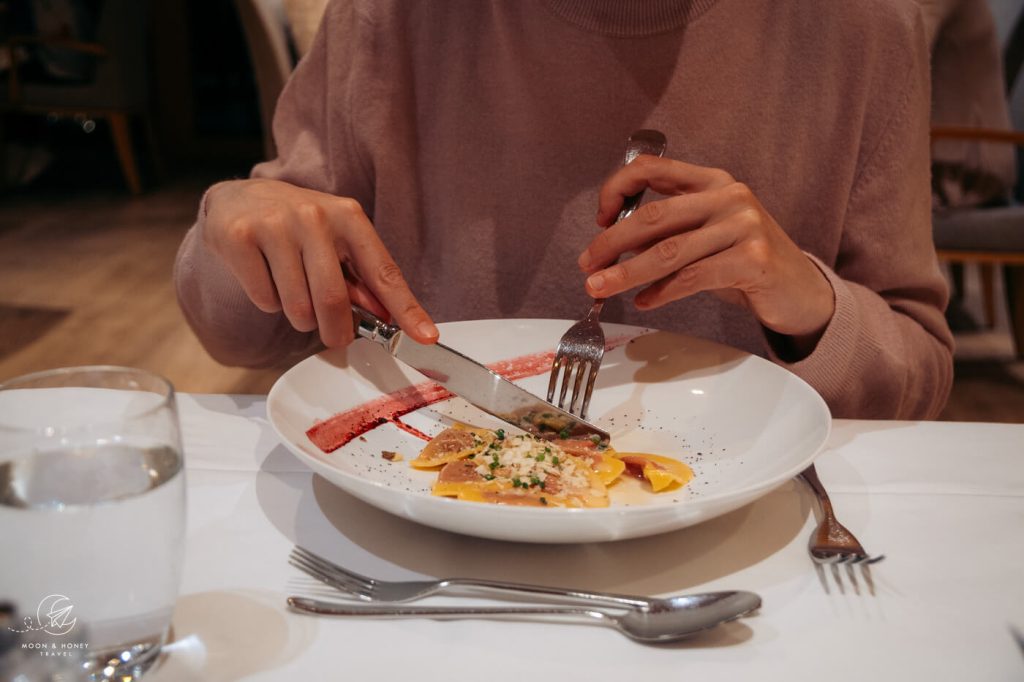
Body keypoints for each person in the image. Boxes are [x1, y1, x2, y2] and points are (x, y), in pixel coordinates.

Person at [174, 0, 955, 420]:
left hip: (746, 561)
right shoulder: (391, 19)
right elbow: (244, 333)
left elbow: (919, 376)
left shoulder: (863, 27)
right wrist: (230, 220)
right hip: (423, 519)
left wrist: (810, 305)